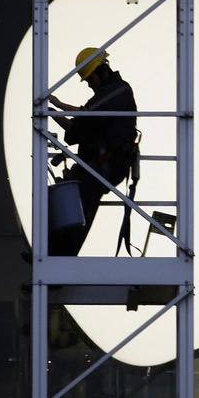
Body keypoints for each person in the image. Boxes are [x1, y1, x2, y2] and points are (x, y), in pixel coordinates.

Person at [23, 47, 138, 261]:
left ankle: (60, 260)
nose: (88, 83)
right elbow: (75, 129)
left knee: (81, 206)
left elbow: (87, 115)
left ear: (102, 71)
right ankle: (48, 255)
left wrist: (57, 104)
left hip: (108, 165)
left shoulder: (118, 91)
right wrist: (51, 113)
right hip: (95, 166)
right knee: (66, 203)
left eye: (89, 78)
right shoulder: (103, 99)